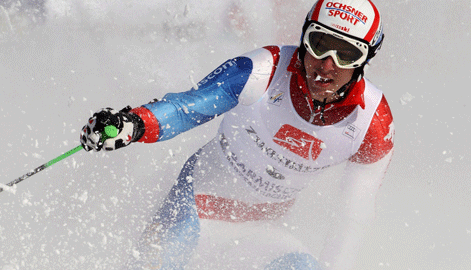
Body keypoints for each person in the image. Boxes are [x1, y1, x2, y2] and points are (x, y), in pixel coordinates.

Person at [80, 0, 394, 269]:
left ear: (364, 60)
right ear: (304, 38)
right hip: (195, 208)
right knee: (167, 251)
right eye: (320, 44)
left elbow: (353, 218)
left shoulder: (372, 124)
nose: (327, 65)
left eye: (346, 55)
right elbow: (185, 108)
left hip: (261, 231)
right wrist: (133, 124)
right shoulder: (263, 69)